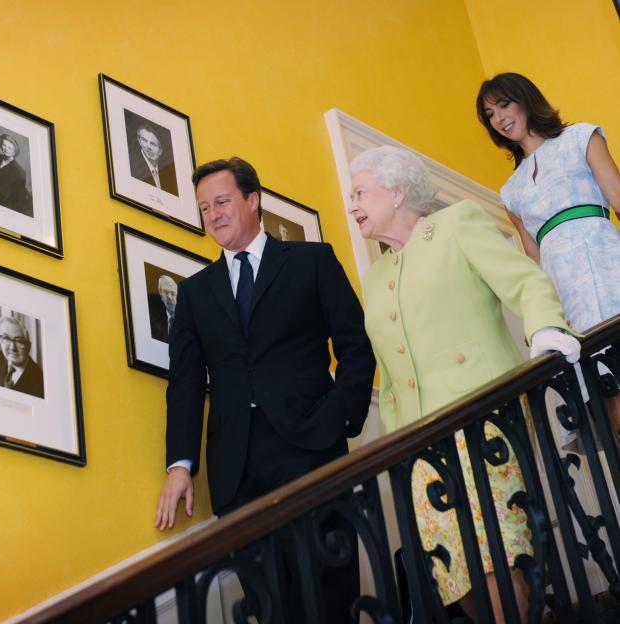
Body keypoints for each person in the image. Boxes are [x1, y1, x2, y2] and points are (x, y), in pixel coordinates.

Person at [350, 145, 580, 622]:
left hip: (483, 429)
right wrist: (396, 444)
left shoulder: (457, 225)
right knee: (454, 574)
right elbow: (390, 380)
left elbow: (527, 284)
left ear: (395, 193)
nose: (351, 205)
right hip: (421, 453)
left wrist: (545, 329)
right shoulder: (374, 279)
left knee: (495, 559)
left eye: (360, 193)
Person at [155, 157, 376, 621]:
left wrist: (339, 414)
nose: (213, 215)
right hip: (237, 469)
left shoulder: (312, 262)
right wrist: (180, 464)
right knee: (270, 604)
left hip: (312, 447)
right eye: (204, 208)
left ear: (253, 200)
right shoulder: (194, 293)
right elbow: (187, 383)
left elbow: (357, 346)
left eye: (222, 201)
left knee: (330, 592)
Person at [477, 72, 620, 445]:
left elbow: (618, 197)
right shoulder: (510, 192)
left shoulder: (581, 137)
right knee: (603, 402)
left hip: (607, 264)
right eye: (490, 114)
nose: (499, 118)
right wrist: (546, 317)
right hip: (564, 290)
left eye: (504, 104)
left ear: (526, 99)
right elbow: (534, 261)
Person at [0, 316, 44, 399]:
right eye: (6, 338)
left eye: (19, 341)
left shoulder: (39, 379)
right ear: (0, 340)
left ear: (28, 346)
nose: (12, 347)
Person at [0, 133, 32, 216]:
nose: (6, 149)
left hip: (2, 204)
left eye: (10, 148)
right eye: (4, 145)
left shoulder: (19, 173)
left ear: (15, 151)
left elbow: (15, 199)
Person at [129, 125, 178, 196]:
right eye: (144, 140)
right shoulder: (132, 169)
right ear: (139, 141)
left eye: (153, 144)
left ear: (160, 150)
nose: (148, 146)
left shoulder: (171, 173)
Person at [148, 274, 178, 343]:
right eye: (166, 293)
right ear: (161, 296)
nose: (169, 297)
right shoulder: (154, 320)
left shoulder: (187, 321)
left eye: (173, 293)